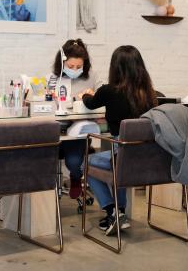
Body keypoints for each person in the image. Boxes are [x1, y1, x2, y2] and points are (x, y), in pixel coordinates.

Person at [80, 45, 157, 235]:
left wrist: (85, 95)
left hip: (123, 153)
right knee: (117, 163)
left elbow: (90, 103)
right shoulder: (149, 93)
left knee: (86, 164)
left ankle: (112, 210)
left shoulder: (108, 91)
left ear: (115, 67)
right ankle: (119, 212)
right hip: (148, 157)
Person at [48, 38, 102, 199]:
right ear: (62, 63)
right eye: (71, 66)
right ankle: (44, 194)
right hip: (56, 130)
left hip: (79, 130)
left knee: (73, 162)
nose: (75, 69)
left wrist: (93, 96)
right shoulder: (53, 78)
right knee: (40, 159)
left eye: (79, 66)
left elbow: (102, 98)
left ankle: (76, 177)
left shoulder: (91, 77)